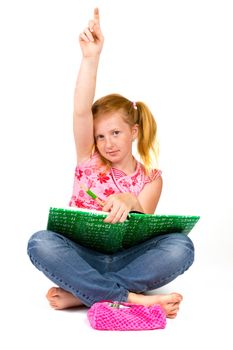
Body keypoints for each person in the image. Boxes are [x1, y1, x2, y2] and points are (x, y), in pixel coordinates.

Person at [27, 8, 194, 319]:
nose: (108, 143)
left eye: (115, 133)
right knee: (40, 243)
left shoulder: (151, 178)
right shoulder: (89, 159)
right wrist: (91, 57)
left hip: (128, 259)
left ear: (133, 132)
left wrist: (131, 200)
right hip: (81, 256)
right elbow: (80, 111)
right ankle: (132, 298)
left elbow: (144, 228)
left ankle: (83, 294)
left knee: (181, 247)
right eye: (101, 135)